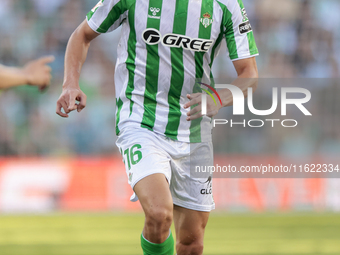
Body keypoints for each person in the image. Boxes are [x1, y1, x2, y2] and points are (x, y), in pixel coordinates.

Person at [56, 0, 258, 254]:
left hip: (194, 128)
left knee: (192, 242)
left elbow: (249, 73)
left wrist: (219, 98)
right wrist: (70, 84)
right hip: (141, 120)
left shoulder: (226, 5)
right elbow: (82, 34)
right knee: (160, 213)